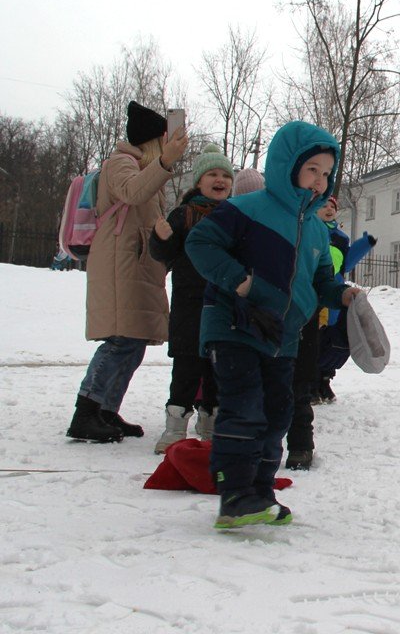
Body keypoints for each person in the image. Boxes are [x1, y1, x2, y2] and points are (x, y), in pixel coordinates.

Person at [186, 120, 361, 529]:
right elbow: (200, 243)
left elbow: (322, 282)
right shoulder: (247, 209)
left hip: (282, 335)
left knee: (278, 413)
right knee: (244, 407)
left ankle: (260, 491)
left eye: (326, 173)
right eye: (311, 169)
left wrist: (343, 295)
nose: (319, 180)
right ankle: (235, 496)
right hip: (235, 325)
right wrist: (241, 282)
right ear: (288, 165)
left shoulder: (316, 229)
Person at [65, 101, 188, 443]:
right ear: (153, 141)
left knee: (133, 342)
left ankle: (105, 410)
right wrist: (165, 162)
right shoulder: (120, 162)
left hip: (136, 267)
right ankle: (86, 411)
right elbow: (133, 192)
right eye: (164, 140)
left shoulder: (146, 170)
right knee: (120, 340)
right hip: (119, 266)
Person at [149, 143, 234, 453]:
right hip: (189, 305)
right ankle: (175, 428)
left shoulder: (235, 215)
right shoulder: (184, 214)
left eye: (225, 175)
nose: (220, 179)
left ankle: (211, 424)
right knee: (186, 367)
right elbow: (164, 254)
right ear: (199, 181)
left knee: (217, 368)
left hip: (224, 304)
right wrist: (160, 238)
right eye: (212, 174)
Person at [312, 194, 375, 405]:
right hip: (314, 292)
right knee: (314, 338)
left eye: (332, 206)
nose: (329, 209)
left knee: (335, 339)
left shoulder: (340, 238)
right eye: (324, 206)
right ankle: (310, 380)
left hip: (335, 291)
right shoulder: (309, 231)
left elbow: (347, 264)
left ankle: (324, 378)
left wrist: (365, 244)